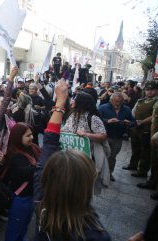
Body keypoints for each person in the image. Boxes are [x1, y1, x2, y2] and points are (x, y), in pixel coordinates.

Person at [34, 79, 110, 241]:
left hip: (78, 159)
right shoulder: (96, 235)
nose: (73, 101)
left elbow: (49, 144)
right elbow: (52, 140)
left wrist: (60, 101)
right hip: (71, 160)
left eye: (76, 99)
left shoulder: (41, 200)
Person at [4, 122, 40, 241]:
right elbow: (29, 173)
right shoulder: (15, 155)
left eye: (32, 135)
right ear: (18, 138)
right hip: (20, 199)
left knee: (24, 225)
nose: (32, 138)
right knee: (15, 229)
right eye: (28, 136)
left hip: (30, 195)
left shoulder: (32, 148)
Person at [125, 81, 158, 176]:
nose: (149, 92)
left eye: (151, 90)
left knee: (145, 151)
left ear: (157, 91)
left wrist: (142, 121)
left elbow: (155, 116)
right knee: (135, 148)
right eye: (147, 90)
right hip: (136, 128)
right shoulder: (141, 100)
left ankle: (142, 171)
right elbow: (133, 111)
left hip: (146, 130)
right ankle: (133, 164)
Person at [99, 92, 135, 181]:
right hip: (104, 136)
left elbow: (133, 122)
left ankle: (109, 173)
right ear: (111, 100)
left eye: (120, 101)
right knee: (102, 155)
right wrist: (108, 121)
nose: (118, 103)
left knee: (112, 156)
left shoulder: (127, 109)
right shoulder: (103, 108)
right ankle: (99, 173)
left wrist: (129, 123)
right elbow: (96, 120)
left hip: (118, 137)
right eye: (115, 101)